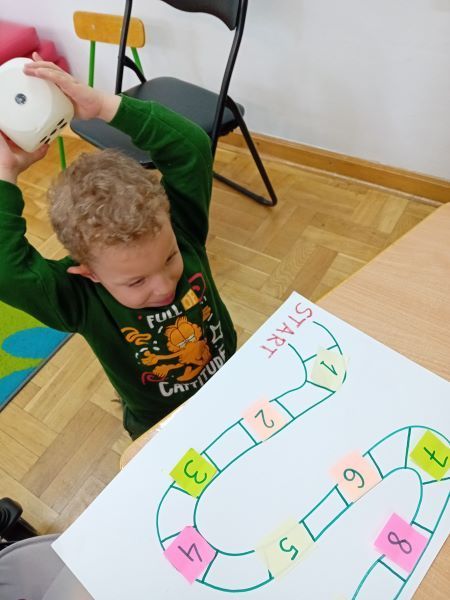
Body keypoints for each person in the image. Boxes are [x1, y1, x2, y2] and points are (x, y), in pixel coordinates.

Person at [0, 54, 237, 440]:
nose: (163, 286)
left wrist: (103, 105)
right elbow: (7, 270)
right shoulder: (79, 298)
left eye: (170, 258)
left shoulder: (182, 229)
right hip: (161, 427)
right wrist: (5, 172)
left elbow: (191, 148)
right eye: (135, 281)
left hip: (234, 381)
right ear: (88, 273)